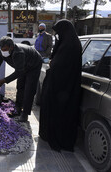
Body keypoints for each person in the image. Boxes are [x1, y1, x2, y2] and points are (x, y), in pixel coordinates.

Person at [38, 19, 82, 152]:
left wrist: (52, 64)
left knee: (58, 113)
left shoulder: (70, 46)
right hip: (59, 87)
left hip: (62, 89)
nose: (56, 35)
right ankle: (47, 134)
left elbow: (61, 66)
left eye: (58, 32)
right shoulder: (67, 42)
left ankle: (57, 138)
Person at [0, 36, 43, 122]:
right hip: (22, 67)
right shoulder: (2, 52)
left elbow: (19, 72)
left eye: (5, 49)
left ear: (11, 47)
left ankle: (25, 113)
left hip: (33, 65)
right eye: (1, 49)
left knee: (29, 89)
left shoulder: (18, 53)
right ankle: (18, 108)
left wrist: (3, 80)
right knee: (20, 86)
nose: (3, 51)